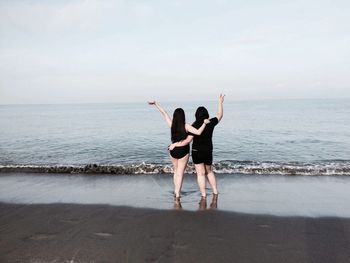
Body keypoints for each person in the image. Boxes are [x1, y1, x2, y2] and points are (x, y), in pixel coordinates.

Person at [148, 101, 210, 204]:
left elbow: (164, 113)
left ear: (175, 116)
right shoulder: (186, 126)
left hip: (172, 151)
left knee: (176, 171)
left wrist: (156, 104)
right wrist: (204, 123)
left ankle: (176, 191)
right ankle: (177, 194)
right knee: (180, 173)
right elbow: (198, 132)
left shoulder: (172, 125)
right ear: (183, 116)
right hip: (183, 151)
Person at [169, 94, 224, 202]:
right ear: (206, 115)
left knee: (200, 173)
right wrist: (220, 102)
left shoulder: (193, 126)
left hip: (196, 151)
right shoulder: (210, 123)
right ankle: (215, 191)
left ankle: (203, 195)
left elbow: (187, 141)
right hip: (208, 150)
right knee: (209, 171)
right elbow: (219, 115)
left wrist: (175, 144)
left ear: (196, 115)